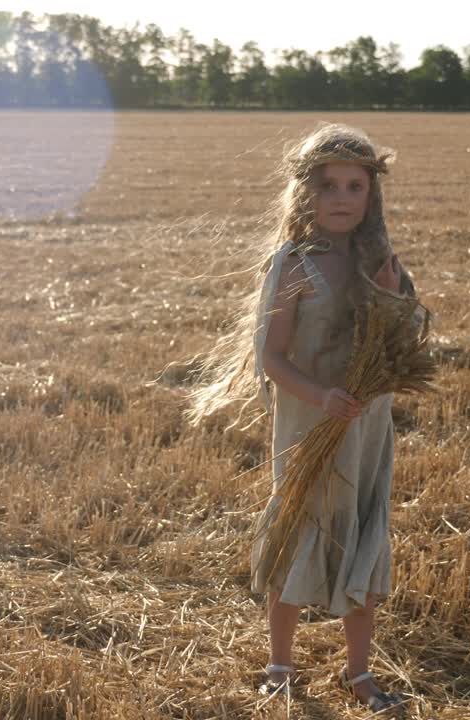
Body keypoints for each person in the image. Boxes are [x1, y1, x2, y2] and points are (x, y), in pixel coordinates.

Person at [182, 122, 414, 715]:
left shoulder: (381, 261)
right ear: (305, 193)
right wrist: (322, 395)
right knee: (296, 534)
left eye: (354, 186)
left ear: (372, 195)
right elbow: (271, 358)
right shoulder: (293, 265)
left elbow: (403, 345)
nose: (341, 198)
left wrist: (391, 298)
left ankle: (358, 673)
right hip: (309, 424)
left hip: (365, 428)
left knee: (362, 532)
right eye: (328, 186)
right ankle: (280, 664)